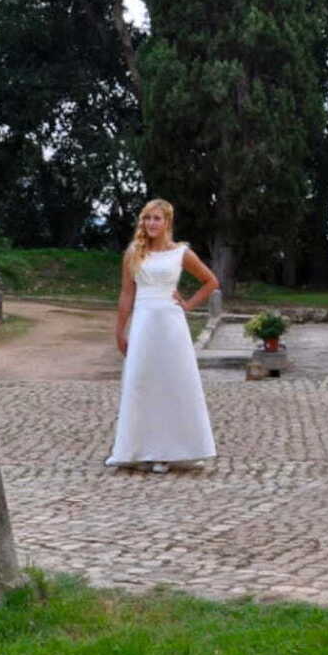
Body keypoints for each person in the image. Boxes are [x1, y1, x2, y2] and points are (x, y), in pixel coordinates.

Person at [107, 198, 219, 473]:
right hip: (144, 322)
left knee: (173, 383)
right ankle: (138, 449)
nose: (151, 223)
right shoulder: (134, 252)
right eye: (147, 218)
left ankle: (172, 451)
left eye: (157, 218)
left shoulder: (181, 252)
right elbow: (126, 293)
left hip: (171, 324)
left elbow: (211, 281)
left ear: (167, 222)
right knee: (141, 382)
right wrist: (120, 329)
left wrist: (189, 304)